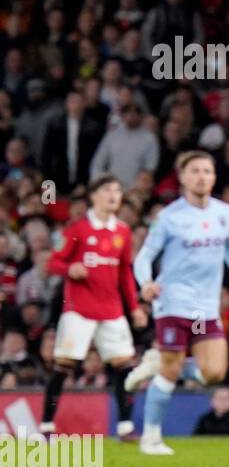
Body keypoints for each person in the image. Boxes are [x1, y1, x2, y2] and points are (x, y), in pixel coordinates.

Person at [127, 150, 229, 454]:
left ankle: (161, 362)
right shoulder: (168, 218)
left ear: (214, 177)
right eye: (194, 171)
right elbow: (144, 256)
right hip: (173, 302)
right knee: (170, 372)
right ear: (182, 177)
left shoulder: (224, 212)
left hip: (206, 306)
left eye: (207, 171)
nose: (202, 176)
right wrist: (146, 284)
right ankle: (150, 438)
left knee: (215, 373)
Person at [40, 174, 147, 437]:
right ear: (94, 195)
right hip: (79, 310)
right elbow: (52, 263)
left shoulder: (122, 231)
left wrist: (134, 307)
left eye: (118, 191)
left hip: (112, 310)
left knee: (124, 366)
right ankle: (46, 426)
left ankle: (125, 426)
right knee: (63, 366)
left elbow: (124, 273)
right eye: (108, 190)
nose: (113, 195)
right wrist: (69, 268)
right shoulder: (76, 229)